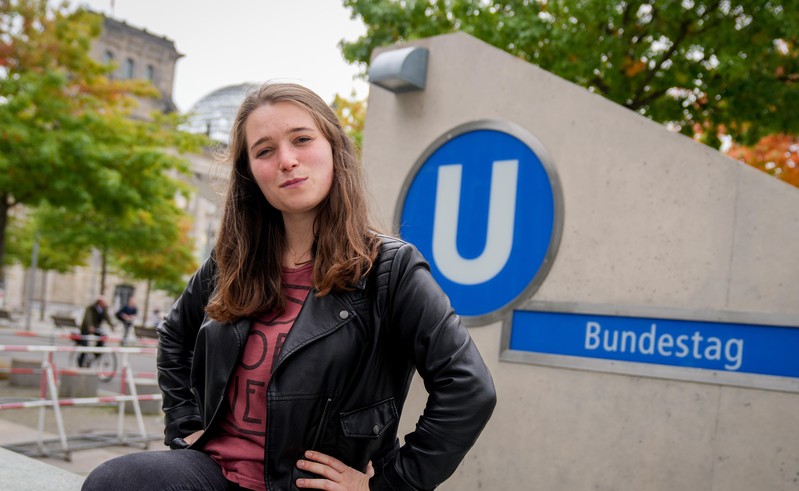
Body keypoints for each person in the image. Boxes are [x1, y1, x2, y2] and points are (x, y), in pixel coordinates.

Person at [83, 83, 496, 491]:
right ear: (251, 174)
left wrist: (389, 484)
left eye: (302, 139)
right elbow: (175, 334)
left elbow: (469, 388)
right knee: (114, 481)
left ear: (334, 148)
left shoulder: (390, 268)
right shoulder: (232, 261)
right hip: (217, 474)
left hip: (309, 486)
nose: (286, 160)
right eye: (264, 150)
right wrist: (185, 425)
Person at [76, 295, 115, 367]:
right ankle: (81, 361)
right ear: (99, 302)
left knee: (102, 338)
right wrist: (90, 326)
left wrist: (112, 325)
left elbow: (107, 317)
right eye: (103, 302)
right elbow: (88, 318)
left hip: (96, 328)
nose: (105, 304)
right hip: (86, 328)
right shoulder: (91, 308)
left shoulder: (104, 309)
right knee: (85, 345)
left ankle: (95, 354)